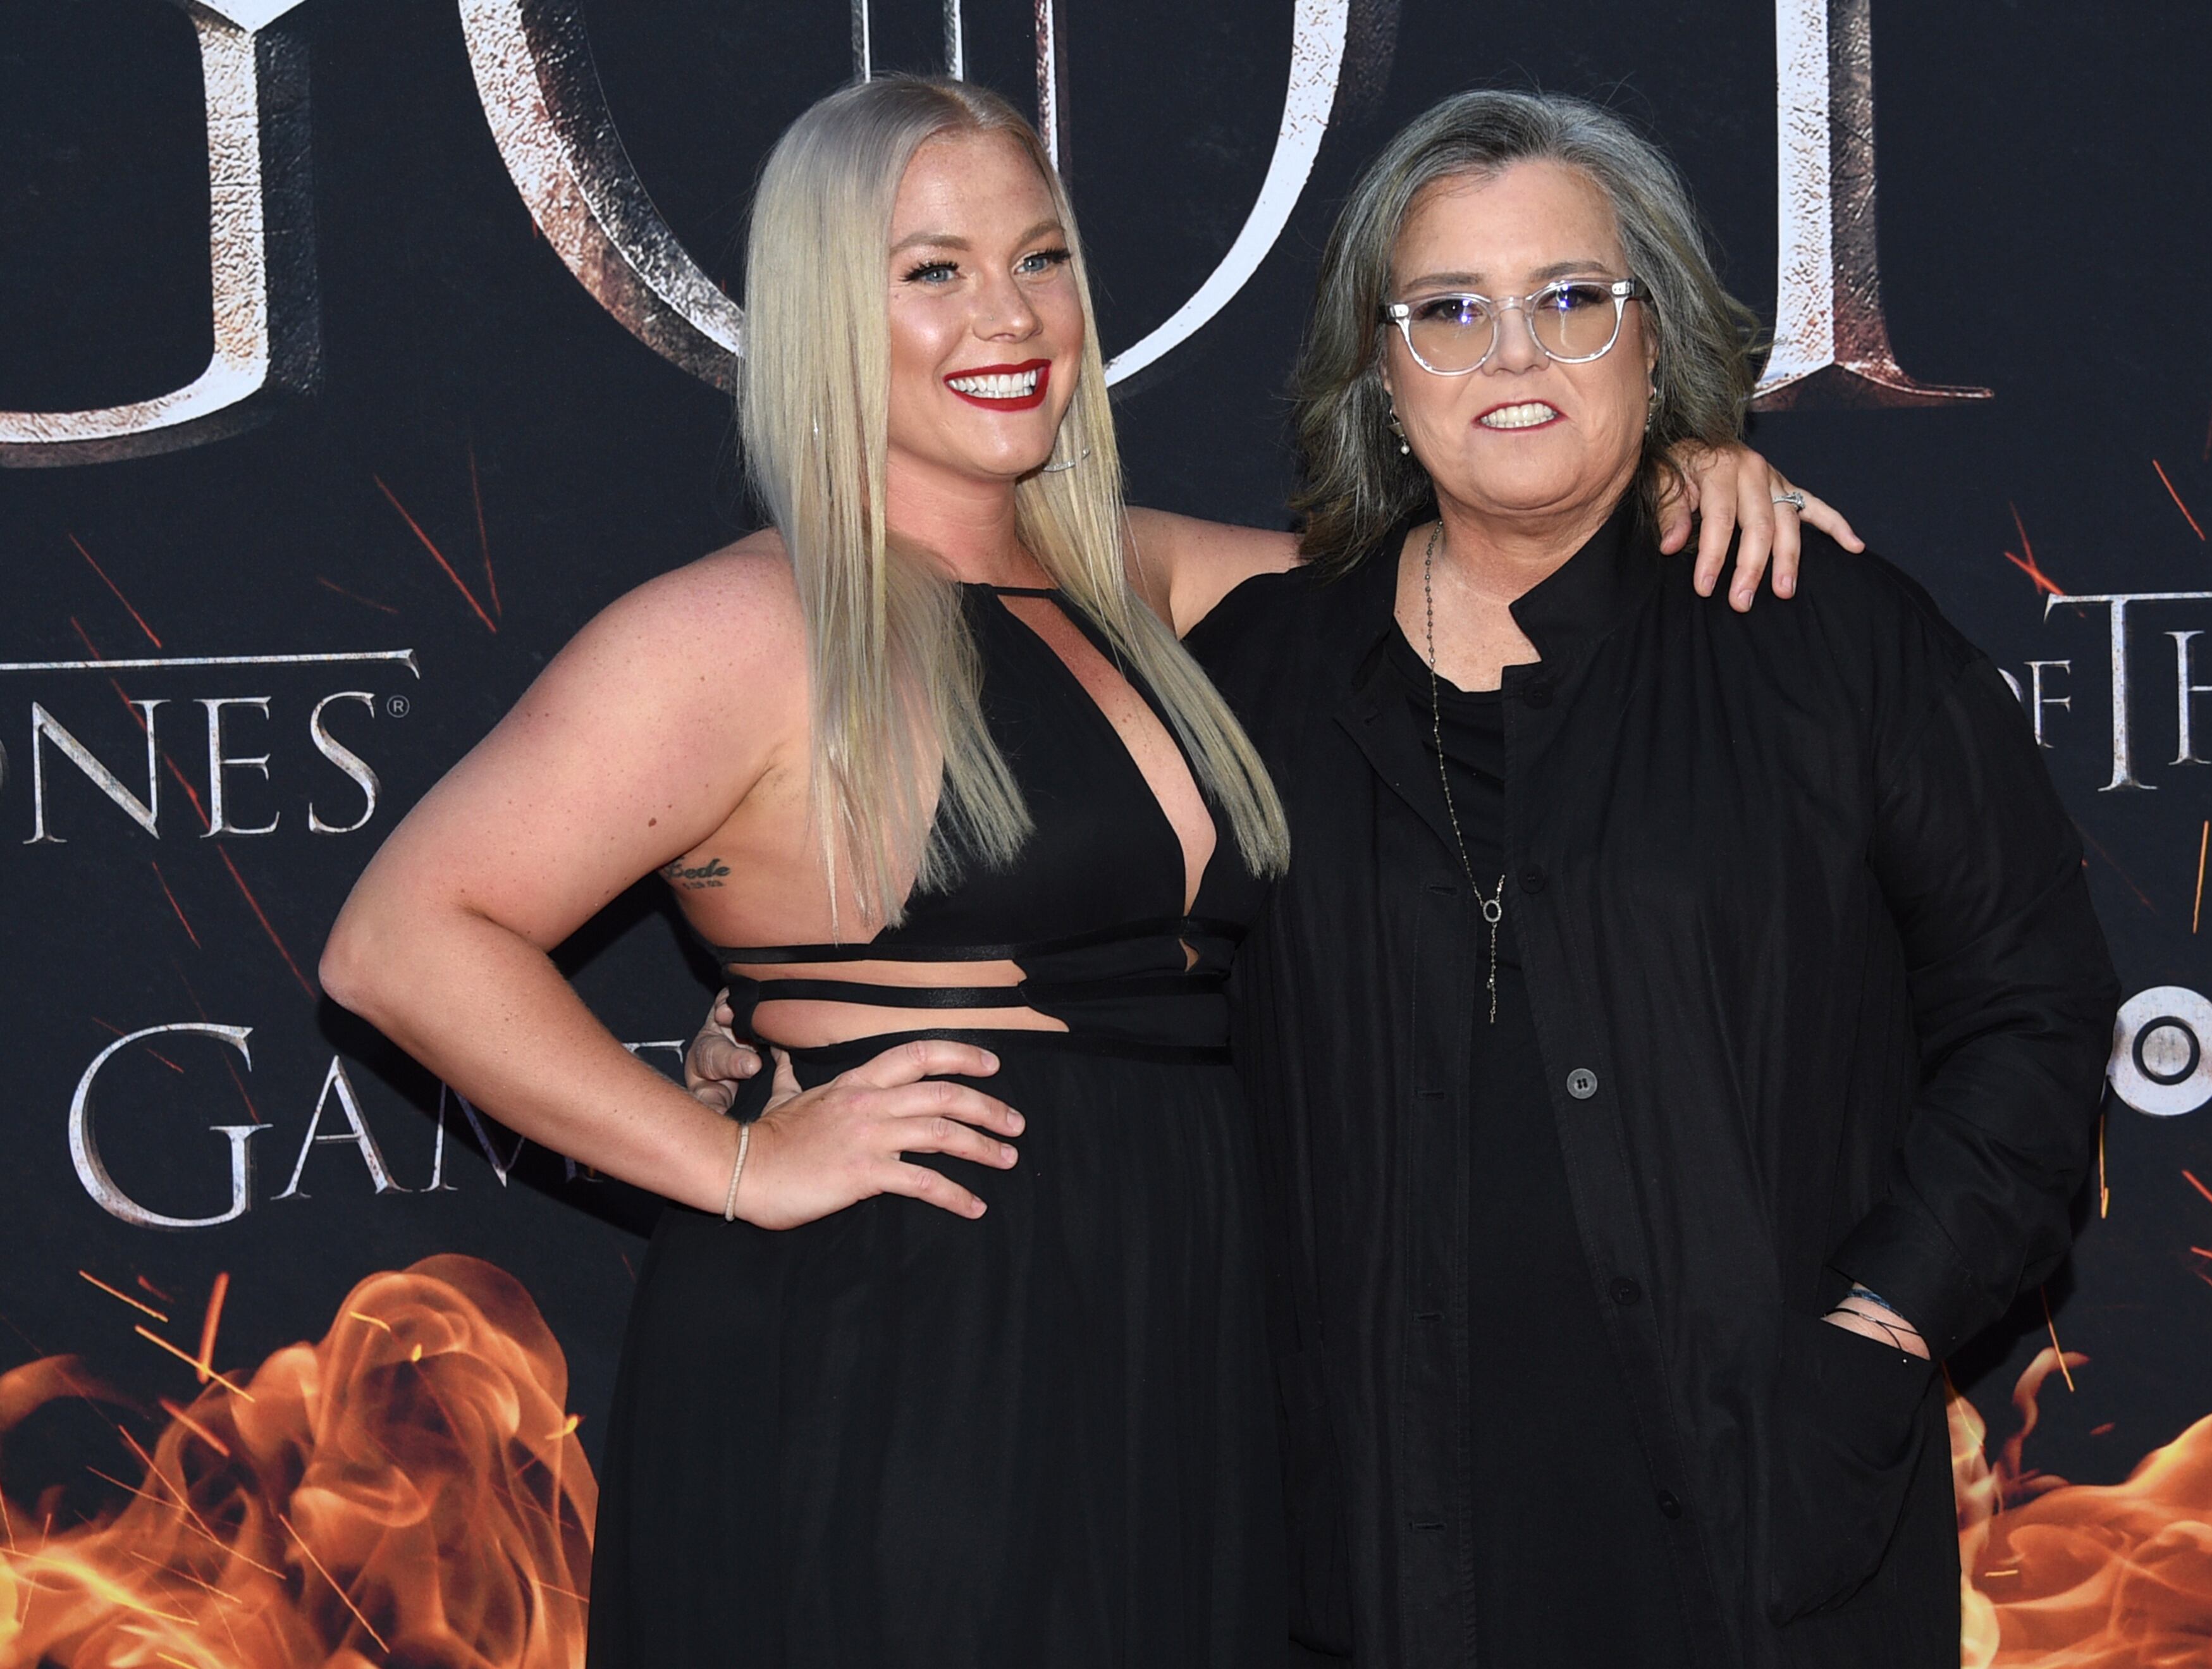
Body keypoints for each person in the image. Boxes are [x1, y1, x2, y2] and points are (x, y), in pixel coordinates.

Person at [326, 76, 1830, 1667]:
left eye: (1040, 258)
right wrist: (741, 1167)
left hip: (1200, 1347)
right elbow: (407, 937)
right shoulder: (741, 634)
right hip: (901, 1357)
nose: (1009, 313)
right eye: (933, 271)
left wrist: (1667, 473)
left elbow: (1494, 578)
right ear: (831, 309)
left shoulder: (1158, 579)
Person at [1184, 90, 2120, 1669]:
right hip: (1384, 1541)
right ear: (1378, 367)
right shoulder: (1259, 679)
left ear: (1652, 329)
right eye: (1449, 312)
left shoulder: (1828, 638)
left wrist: (1876, 1337)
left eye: (1568, 300)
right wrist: (774, 1035)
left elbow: (2030, 1017)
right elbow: (1111, 992)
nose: (1514, 357)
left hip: (1766, 1522)